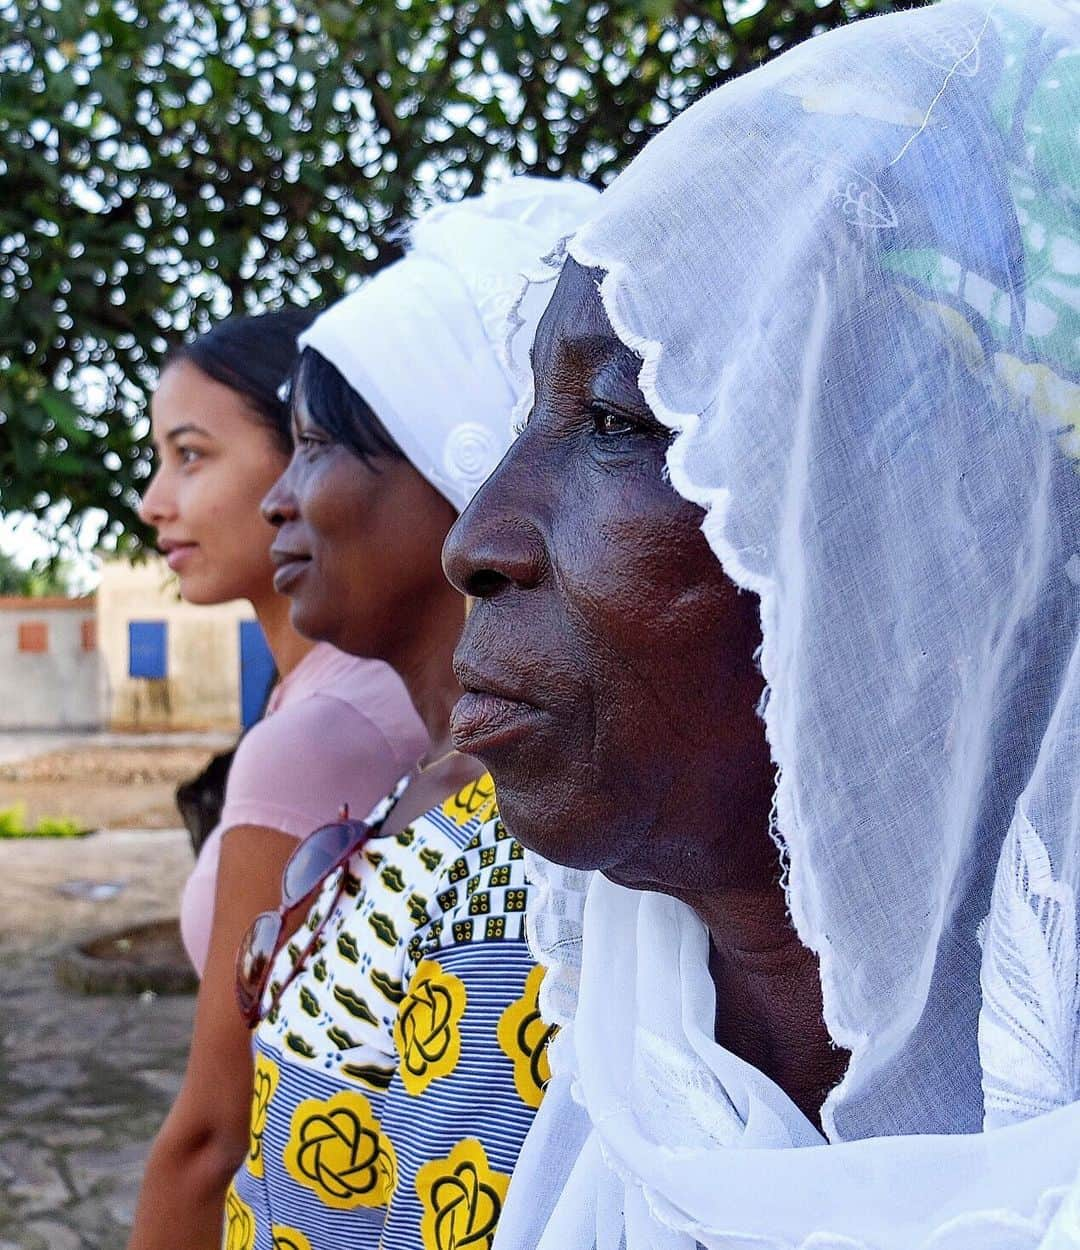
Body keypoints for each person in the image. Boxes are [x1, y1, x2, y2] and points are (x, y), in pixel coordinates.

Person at [443, 2, 1080, 1247]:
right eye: (527, 422)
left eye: (625, 421)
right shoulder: (585, 1051)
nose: (476, 537)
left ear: (935, 533)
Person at [223, 178, 597, 1250]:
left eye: (317, 445)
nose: (275, 497)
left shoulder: (514, 852)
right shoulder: (437, 789)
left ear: (464, 469)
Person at [131, 313, 428, 1249]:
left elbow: (216, 1133)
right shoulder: (356, 692)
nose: (152, 500)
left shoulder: (318, 735)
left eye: (191, 456)